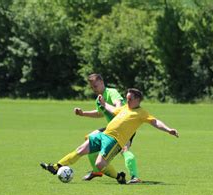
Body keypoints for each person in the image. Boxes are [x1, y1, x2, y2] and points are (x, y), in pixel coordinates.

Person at [41, 88, 179, 184]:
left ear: (138, 99)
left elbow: (155, 122)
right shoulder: (125, 108)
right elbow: (113, 109)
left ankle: (119, 177)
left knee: (99, 164)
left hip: (114, 141)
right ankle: (56, 166)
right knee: (80, 150)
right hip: (104, 134)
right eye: (127, 98)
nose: (127, 101)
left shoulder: (142, 113)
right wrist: (103, 104)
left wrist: (168, 130)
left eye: (130, 99)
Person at [74, 74, 142, 184]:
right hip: (112, 129)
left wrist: (111, 106)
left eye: (95, 86)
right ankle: (97, 171)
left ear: (101, 82)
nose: (94, 89)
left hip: (125, 127)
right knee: (90, 139)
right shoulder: (99, 98)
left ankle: (135, 176)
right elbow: (100, 113)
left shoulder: (111, 92)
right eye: (92, 87)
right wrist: (83, 113)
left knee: (124, 149)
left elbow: (118, 105)